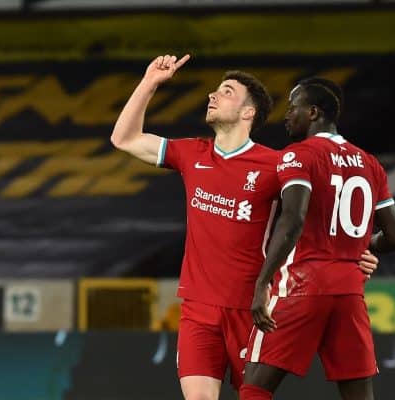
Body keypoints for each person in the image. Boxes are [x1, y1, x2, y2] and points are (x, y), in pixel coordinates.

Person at [111, 55, 379, 400]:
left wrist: (360, 253)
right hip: (198, 307)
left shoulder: (277, 163)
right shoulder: (192, 153)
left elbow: (320, 217)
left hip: (251, 307)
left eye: (225, 92)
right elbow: (125, 139)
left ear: (248, 112)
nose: (212, 95)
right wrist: (149, 83)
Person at [239, 77, 395, 400]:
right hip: (350, 290)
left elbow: (294, 218)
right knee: (359, 395)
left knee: (254, 385)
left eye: (293, 108)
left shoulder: (298, 156)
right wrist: (363, 247)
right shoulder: (370, 163)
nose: (287, 116)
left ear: (313, 112)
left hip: (303, 284)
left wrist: (262, 283)